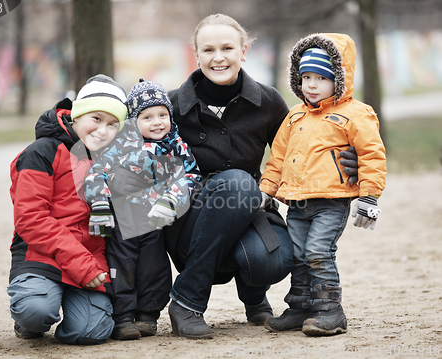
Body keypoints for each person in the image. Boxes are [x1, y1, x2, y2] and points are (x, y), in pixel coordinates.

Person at [109, 14, 358, 340]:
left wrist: (343, 158)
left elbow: (300, 145)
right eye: (208, 49)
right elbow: (120, 148)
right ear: (196, 55)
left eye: (227, 47)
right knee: (238, 182)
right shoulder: (168, 107)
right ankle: (187, 301)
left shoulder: (267, 101)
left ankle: (253, 294)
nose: (218, 57)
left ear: (243, 51)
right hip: (187, 221)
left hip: (250, 210)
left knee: (275, 258)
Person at [260, 33, 387, 336]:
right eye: (306, 77)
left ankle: (331, 310)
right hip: (298, 203)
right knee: (298, 254)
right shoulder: (295, 116)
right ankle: (301, 306)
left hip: (332, 201)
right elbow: (278, 156)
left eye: (321, 77)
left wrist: (369, 197)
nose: (312, 85)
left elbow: (371, 155)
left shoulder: (355, 114)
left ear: (339, 79)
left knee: (318, 250)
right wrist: (267, 189)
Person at [7, 74, 128, 345]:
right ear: (77, 115)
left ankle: (71, 305)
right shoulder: (41, 152)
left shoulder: (115, 160)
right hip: (42, 254)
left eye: (113, 125)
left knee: (91, 331)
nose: (102, 130)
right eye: (96, 119)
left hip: (91, 257)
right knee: (35, 311)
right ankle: (32, 312)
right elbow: (30, 218)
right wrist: (81, 264)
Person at [83, 79, 201, 340]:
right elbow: (97, 173)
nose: (157, 122)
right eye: (147, 117)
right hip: (122, 220)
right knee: (121, 265)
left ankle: (148, 315)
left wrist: (172, 199)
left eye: (162, 114)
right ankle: (123, 317)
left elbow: (191, 176)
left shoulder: (177, 146)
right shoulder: (121, 145)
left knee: (154, 267)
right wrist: (100, 203)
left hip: (154, 221)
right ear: (134, 121)